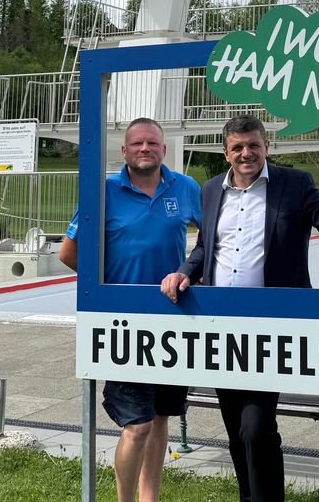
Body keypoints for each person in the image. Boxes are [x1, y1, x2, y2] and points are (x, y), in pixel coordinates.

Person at [160, 114, 319, 502]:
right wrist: (184, 271)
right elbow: (206, 247)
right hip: (221, 326)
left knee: (255, 425)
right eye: (237, 147)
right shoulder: (211, 190)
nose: (246, 153)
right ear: (225, 151)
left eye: (253, 145)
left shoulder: (294, 184)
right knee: (235, 427)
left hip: (274, 326)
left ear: (267, 147)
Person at [59, 118, 201, 502]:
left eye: (152, 143)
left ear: (163, 150)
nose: (145, 149)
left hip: (173, 320)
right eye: (137, 143)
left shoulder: (185, 188)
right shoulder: (102, 192)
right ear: (124, 151)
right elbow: (68, 252)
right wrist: (106, 289)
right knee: (136, 424)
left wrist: (193, 274)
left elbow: (212, 239)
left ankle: (148, 498)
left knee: (159, 418)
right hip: (124, 323)